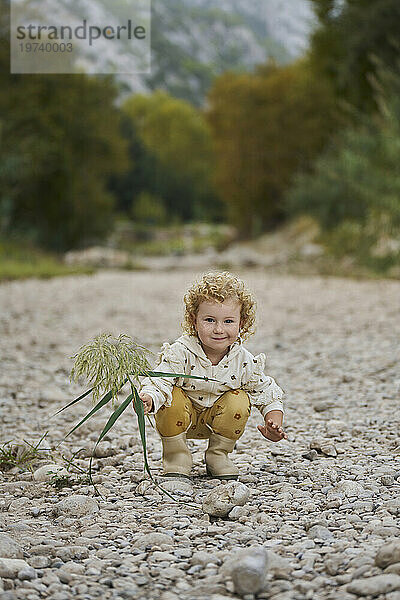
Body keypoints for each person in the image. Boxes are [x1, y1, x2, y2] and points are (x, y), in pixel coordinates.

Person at [139, 271, 287, 480]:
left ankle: (218, 455)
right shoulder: (181, 352)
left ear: (241, 323)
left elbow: (266, 391)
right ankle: (177, 457)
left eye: (228, 321)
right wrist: (149, 398)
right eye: (209, 320)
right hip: (181, 419)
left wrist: (274, 422)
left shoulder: (242, 360)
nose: (219, 329)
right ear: (194, 320)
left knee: (240, 399)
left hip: (220, 421)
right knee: (171, 394)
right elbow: (159, 380)